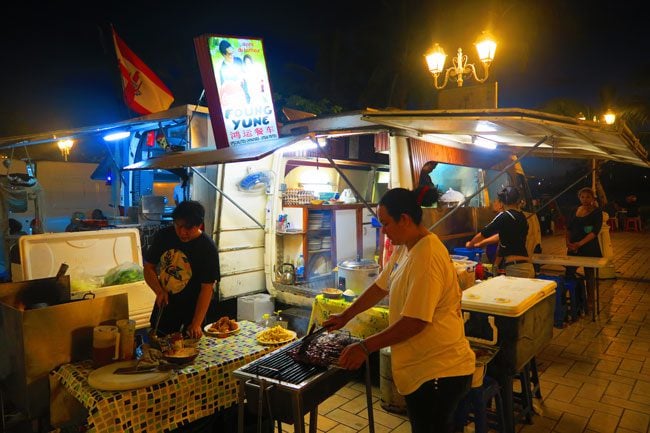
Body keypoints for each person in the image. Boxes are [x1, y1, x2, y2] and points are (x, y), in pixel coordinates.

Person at [323, 188, 475, 433]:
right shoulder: (406, 247)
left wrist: (364, 347)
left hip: (439, 372)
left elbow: (415, 322)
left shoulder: (426, 257)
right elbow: (380, 287)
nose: (383, 230)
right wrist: (346, 315)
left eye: (386, 223)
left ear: (404, 219)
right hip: (423, 369)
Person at [144, 201, 220, 339]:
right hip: (164, 306)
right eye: (178, 226)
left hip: (192, 311)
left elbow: (207, 288)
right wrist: (159, 290)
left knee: (190, 353)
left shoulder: (207, 248)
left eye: (188, 228)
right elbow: (148, 267)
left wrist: (196, 324)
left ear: (199, 225)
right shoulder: (164, 236)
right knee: (157, 346)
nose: (182, 232)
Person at [466, 186, 535, 278]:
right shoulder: (522, 217)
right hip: (528, 266)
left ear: (502, 202)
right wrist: (496, 264)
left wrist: (470, 244)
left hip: (516, 269)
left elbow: (484, 233)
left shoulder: (504, 215)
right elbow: (502, 237)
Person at [565, 187, 602, 315]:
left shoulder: (597, 212)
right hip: (573, 248)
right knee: (569, 273)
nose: (585, 199)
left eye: (588, 197)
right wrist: (568, 243)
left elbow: (594, 232)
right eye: (582, 197)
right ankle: (571, 300)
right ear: (579, 197)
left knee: (590, 276)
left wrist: (579, 244)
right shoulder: (574, 210)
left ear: (592, 198)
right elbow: (568, 228)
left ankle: (591, 303)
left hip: (589, 248)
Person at [217, 39, 250, 106]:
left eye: (232, 51)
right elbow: (224, 88)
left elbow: (244, 78)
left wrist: (246, 94)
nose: (232, 55)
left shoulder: (238, 60)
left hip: (244, 95)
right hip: (233, 99)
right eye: (229, 54)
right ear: (224, 54)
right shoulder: (222, 69)